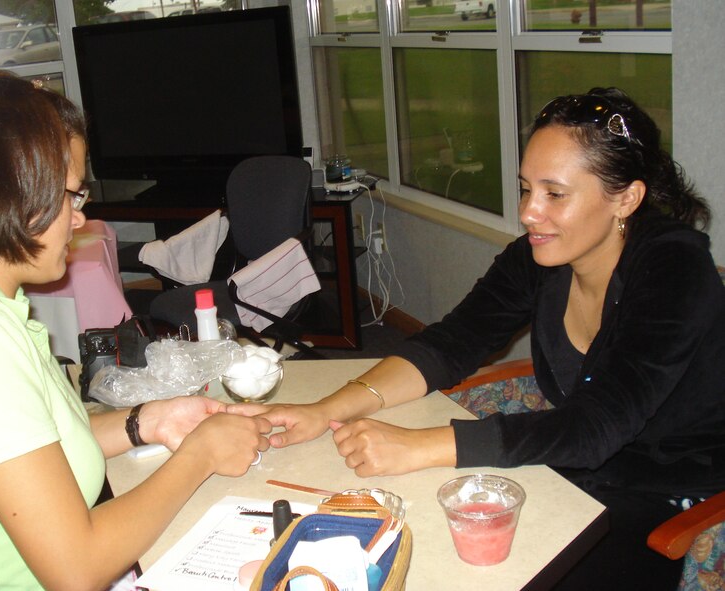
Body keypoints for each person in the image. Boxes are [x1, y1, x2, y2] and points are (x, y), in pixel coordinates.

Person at [231, 88, 725, 589]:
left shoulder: (675, 270)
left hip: (668, 494)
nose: (530, 213)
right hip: (574, 468)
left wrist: (419, 446)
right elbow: (449, 345)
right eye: (526, 188)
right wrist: (326, 411)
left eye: (554, 194)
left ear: (627, 198)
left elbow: (595, 427)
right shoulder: (539, 254)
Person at [0, 70, 271, 590]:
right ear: (9, 192)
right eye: (71, 195)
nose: (79, 218)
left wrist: (147, 422)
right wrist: (200, 454)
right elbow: (77, 569)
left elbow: (28, 451)